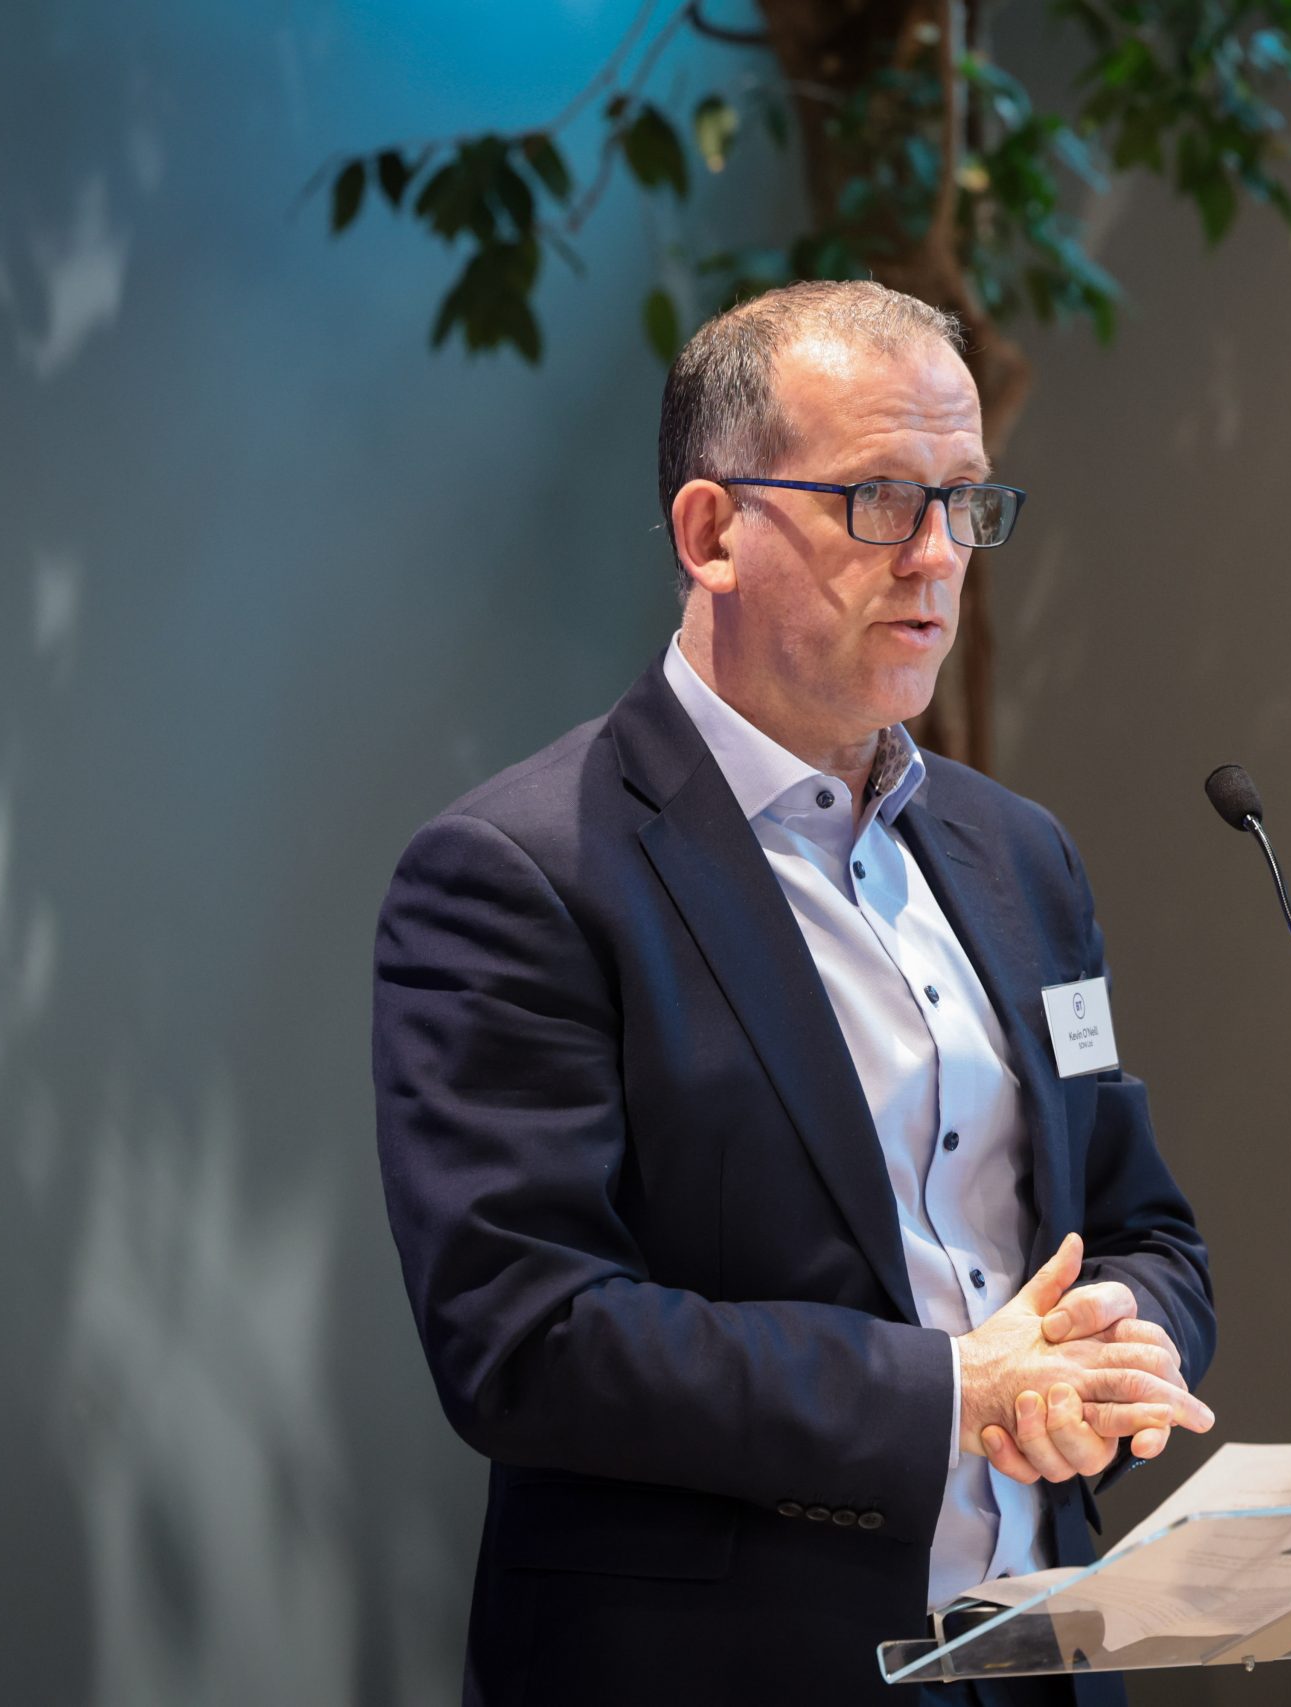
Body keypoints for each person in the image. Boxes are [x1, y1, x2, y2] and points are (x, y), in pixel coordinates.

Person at [372, 280, 1216, 1707]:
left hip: (1043, 1660)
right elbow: (529, 1337)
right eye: (881, 501)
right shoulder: (521, 873)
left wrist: (1124, 1335)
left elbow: (1141, 1223)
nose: (940, 556)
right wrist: (960, 1389)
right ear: (712, 533)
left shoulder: (1021, 858)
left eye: (967, 501)